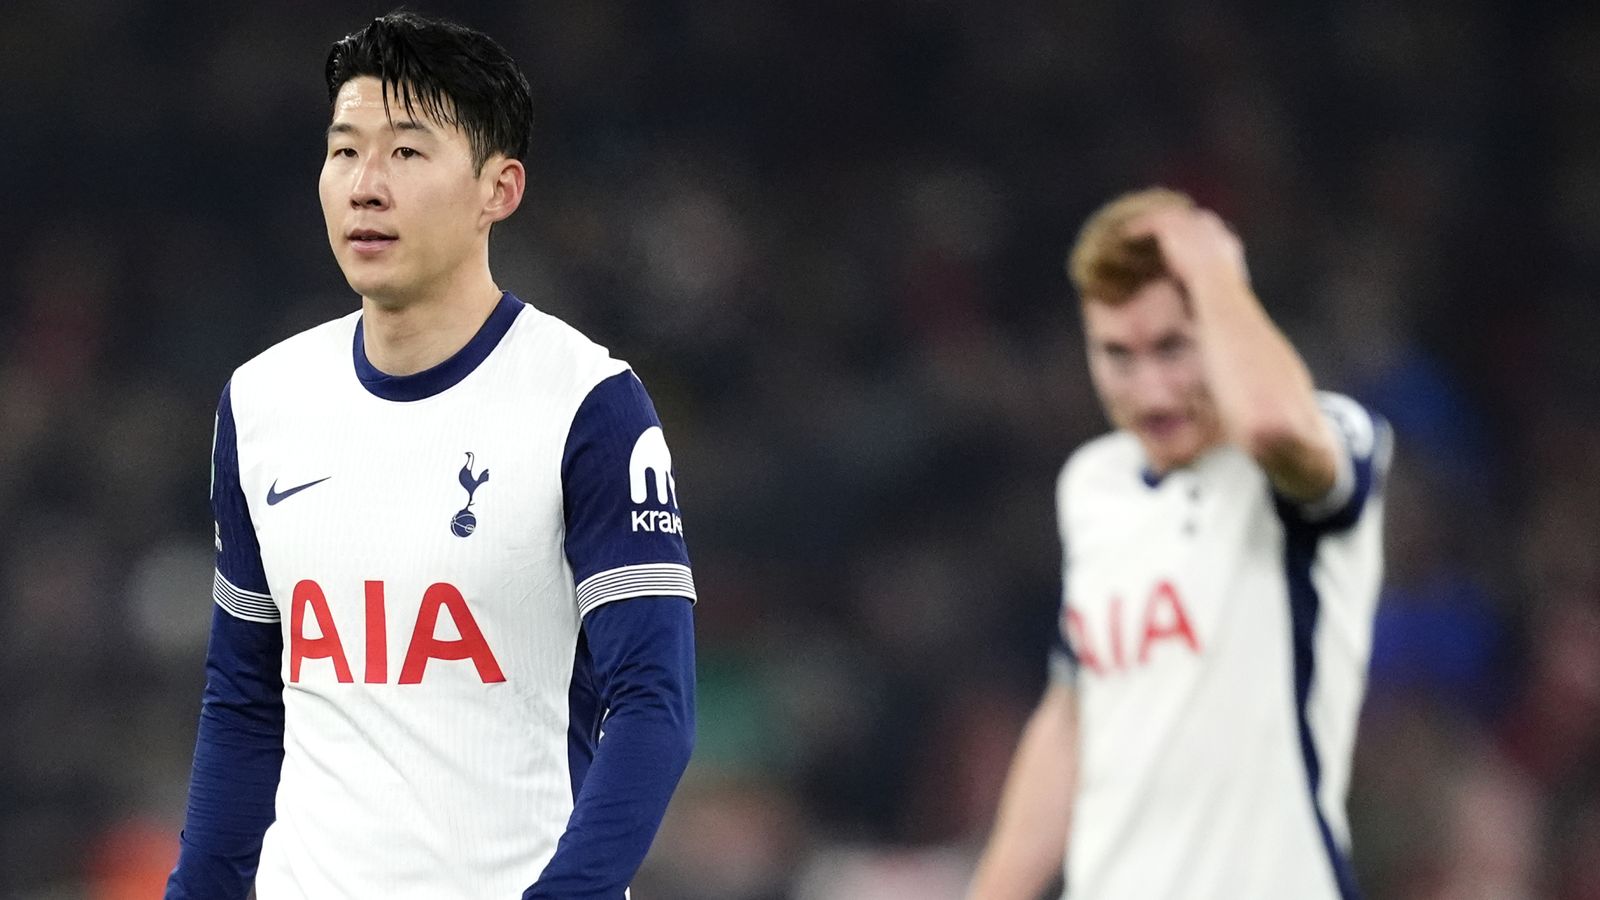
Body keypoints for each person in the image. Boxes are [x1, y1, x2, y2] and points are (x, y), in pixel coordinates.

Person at [165, 13, 697, 899]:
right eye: (345, 152)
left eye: (408, 154)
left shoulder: (590, 405)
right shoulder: (261, 401)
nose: (366, 187)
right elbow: (245, 704)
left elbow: (653, 709)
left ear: (500, 188)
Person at [967, 188, 1391, 900]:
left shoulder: (1318, 442)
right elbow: (1073, 714)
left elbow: (1271, 429)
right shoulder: (1093, 485)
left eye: (1172, 348)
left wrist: (1214, 271)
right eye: (1117, 355)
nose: (1152, 391)